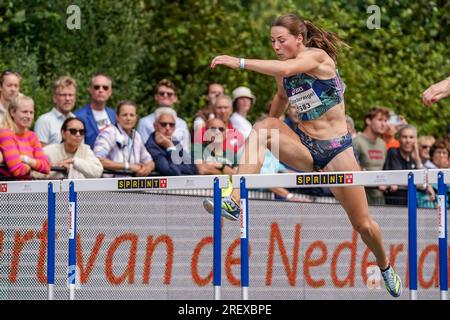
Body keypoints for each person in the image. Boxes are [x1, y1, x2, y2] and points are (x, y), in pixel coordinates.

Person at [202, 13, 402, 298]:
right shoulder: (285, 70)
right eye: (272, 41)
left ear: (299, 39)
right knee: (261, 128)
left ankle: (384, 266)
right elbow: (282, 98)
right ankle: (234, 200)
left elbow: (287, 69)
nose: (276, 46)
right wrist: (266, 133)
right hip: (305, 146)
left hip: (337, 152)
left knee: (363, 225)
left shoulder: (317, 58)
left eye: (281, 40)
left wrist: (240, 62)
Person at [145, 107, 221, 176]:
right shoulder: (151, 146)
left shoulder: (175, 142)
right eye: (163, 124)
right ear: (155, 125)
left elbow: (192, 168)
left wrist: (176, 165)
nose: (168, 128)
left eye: (171, 124)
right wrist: (170, 147)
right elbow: (172, 172)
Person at [94, 101, 154, 177]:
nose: (128, 118)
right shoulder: (108, 133)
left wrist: (147, 168)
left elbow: (149, 161)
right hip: (110, 186)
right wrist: (128, 166)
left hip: (131, 186)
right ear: (117, 116)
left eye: (132, 115)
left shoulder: (136, 136)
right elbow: (98, 160)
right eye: (124, 115)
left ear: (136, 117)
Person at [32, 117, 103, 179]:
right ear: (63, 133)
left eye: (81, 132)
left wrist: (73, 161)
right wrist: (58, 168)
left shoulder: (86, 150)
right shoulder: (48, 151)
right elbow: (34, 174)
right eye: (73, 131)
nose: (78, 134)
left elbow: (98, 171)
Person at [0, 95, 50, 179]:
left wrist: (26, 159)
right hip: (7, 188)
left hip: (26, 188)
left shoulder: (32, 136)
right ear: (12, 112)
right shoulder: (6, 134)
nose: (28, 116)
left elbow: (46, 167)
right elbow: (17, 170)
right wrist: (33, 166)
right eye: (24, 112)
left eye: (31, 112)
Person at [137, 79, 190, 152]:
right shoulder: (144, 122)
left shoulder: (182, 124)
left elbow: (186, 150)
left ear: (175, 98)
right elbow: (141, 149)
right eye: (162, 93)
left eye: (169, 94)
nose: (165, 96)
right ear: (156, 97)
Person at [352, 107, 390, 205]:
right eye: (380, 120)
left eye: (386, 121)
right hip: (361, 197)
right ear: (368, 120)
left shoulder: (382, 144)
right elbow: (352, 169)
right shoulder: (357, 142)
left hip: (379, 197)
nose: (384, 124)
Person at [74, 74, 116, 149]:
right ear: (90, 90)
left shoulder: (114, 114)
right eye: (96, 87)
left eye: (105, 88)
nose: (101, 90)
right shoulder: (78, 116)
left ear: (110, 92)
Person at [34, 76, 77, 146]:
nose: (68, 98)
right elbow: (40, 152)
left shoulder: (76, 120)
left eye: (71, 95)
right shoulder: (44, 121)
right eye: (63, 95)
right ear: (54, 98)